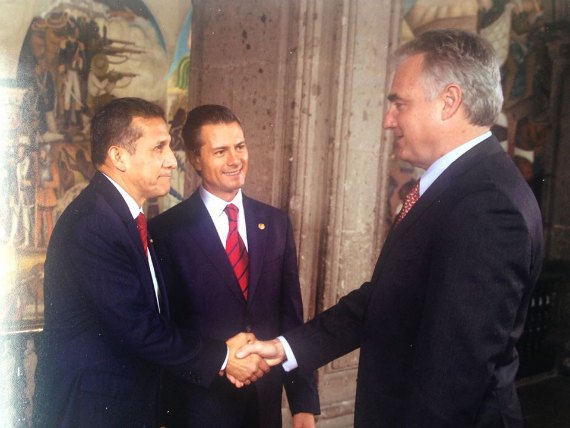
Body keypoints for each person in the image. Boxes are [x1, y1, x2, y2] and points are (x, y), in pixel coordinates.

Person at [237, 29, 544, 428]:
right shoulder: (457, 186)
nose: (387, 120)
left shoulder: (488, 205)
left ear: (449, 102)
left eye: (399, 103)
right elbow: (385, 298)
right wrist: (286, 347)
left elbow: (452, 380)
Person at [32, 98, 269, 428]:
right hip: (94, 413)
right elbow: (138, 328)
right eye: (159, 148)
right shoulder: (95, 223)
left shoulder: (124, 218)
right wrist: (224, 356)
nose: (172, 161)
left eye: (169, 147)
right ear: (119, 157)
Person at [148, 105, 320, 428]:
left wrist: (303, 405)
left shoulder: (276, 223)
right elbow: (163, 331)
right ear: (196, 160)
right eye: (220, 151)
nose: (235, 160)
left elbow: (291, 319)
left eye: (240, 147)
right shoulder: (166, 233)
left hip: (264, 409)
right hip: (199, 410)